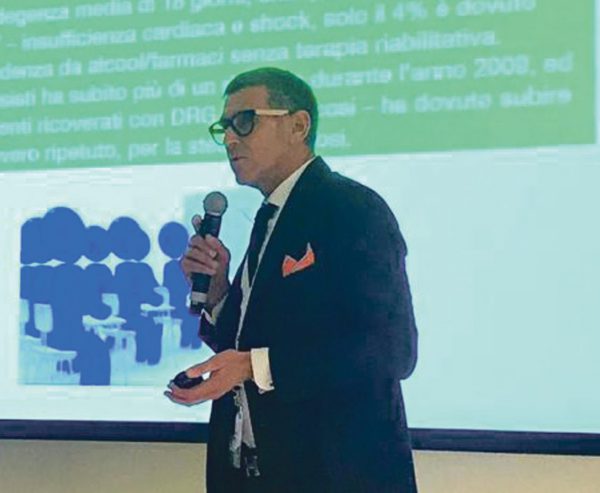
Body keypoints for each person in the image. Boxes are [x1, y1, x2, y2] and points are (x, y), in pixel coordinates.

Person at [165, 67, 419, 493]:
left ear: (298, 126)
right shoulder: (271, 216)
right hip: (255, 473)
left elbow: (392, 349)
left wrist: (255, 365)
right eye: (224, 128)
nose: (230, 139)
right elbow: (252, 340)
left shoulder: (351, 208)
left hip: (335, 476)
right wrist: (219, 292)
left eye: (245, 121)